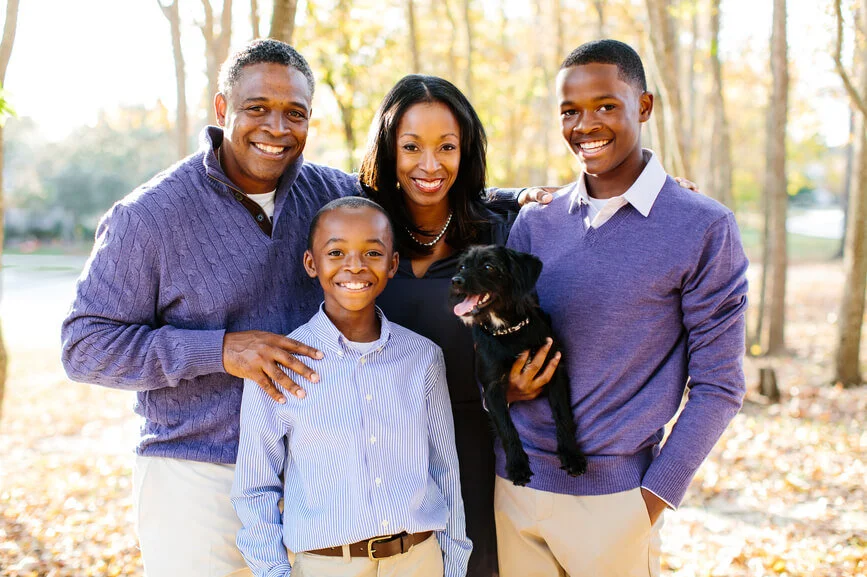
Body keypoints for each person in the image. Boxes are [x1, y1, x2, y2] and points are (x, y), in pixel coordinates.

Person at [61, 40, 361, 576]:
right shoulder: (149, 216)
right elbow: (84, 347)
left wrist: (517, 199)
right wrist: (219, 350)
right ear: (223, 110)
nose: (276, 127)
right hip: (195, 476)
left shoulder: (334, 198)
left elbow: (422, 209)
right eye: (257, 108)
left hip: (316, 478)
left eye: (295, 113)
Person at [499, 39, 749, 577]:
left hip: (616, 503)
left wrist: (651, 501)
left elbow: (720, 385)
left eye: (605, 106)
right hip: (514, 492)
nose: (585, 125)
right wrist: (504, 388)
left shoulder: (702, 226)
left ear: (644, 106)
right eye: (570, 111)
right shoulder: (534, 223)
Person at [358, 75, 562, 577]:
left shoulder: (499, 231)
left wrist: (661, 194)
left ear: (465, 150)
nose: (430, 165)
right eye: (411, 147)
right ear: (389, 150)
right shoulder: (362, 229)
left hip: (475, 448)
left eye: (446, 147)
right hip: (377, 458)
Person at [232, 196, 471, 577]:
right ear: (312, 263)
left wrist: (454, 565)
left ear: (393, 264)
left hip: (419, 561)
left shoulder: (422, 358)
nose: (355, 266)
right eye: (337, 252)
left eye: (372, 253)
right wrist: (273, 571)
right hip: (327, 565)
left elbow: (445, 471)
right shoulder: (278, 365)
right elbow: (255, 486)